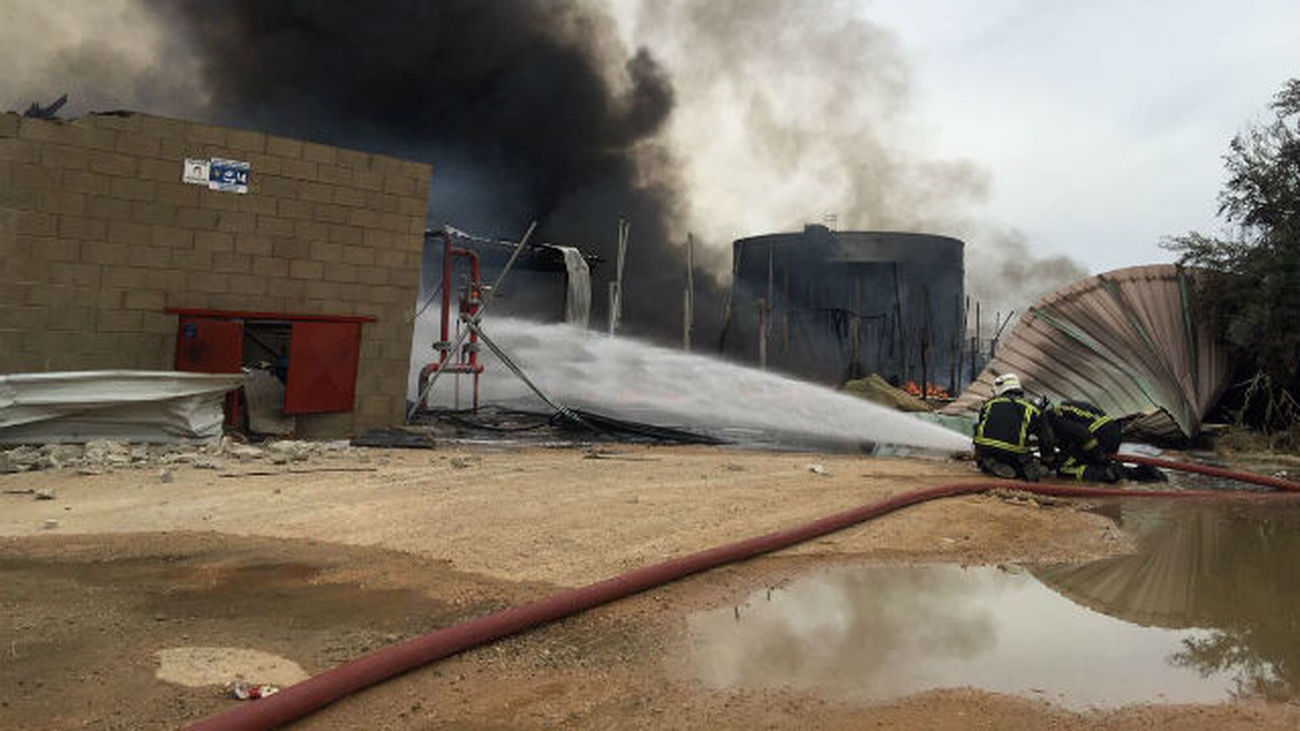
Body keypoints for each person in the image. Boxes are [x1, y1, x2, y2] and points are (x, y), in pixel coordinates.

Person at [973, 373, 1054, 481]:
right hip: (1014, 454)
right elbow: (1047, 439)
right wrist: (1047, 460)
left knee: (977, 428)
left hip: (988, 450)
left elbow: (982, 427)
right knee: (1031, 468)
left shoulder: (989, 404)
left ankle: (989, 463)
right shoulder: (1033, 409)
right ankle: (1021, 470)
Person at [1045, 399, 1123, 483]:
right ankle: (1124, 472)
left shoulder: (1051, 418)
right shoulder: (1065, 406)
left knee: (1064, 469)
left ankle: (1104, 474)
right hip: (1114, 432)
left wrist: (1098, 456)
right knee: (1084, 460)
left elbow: (1083, 434)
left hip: (1097, 436)